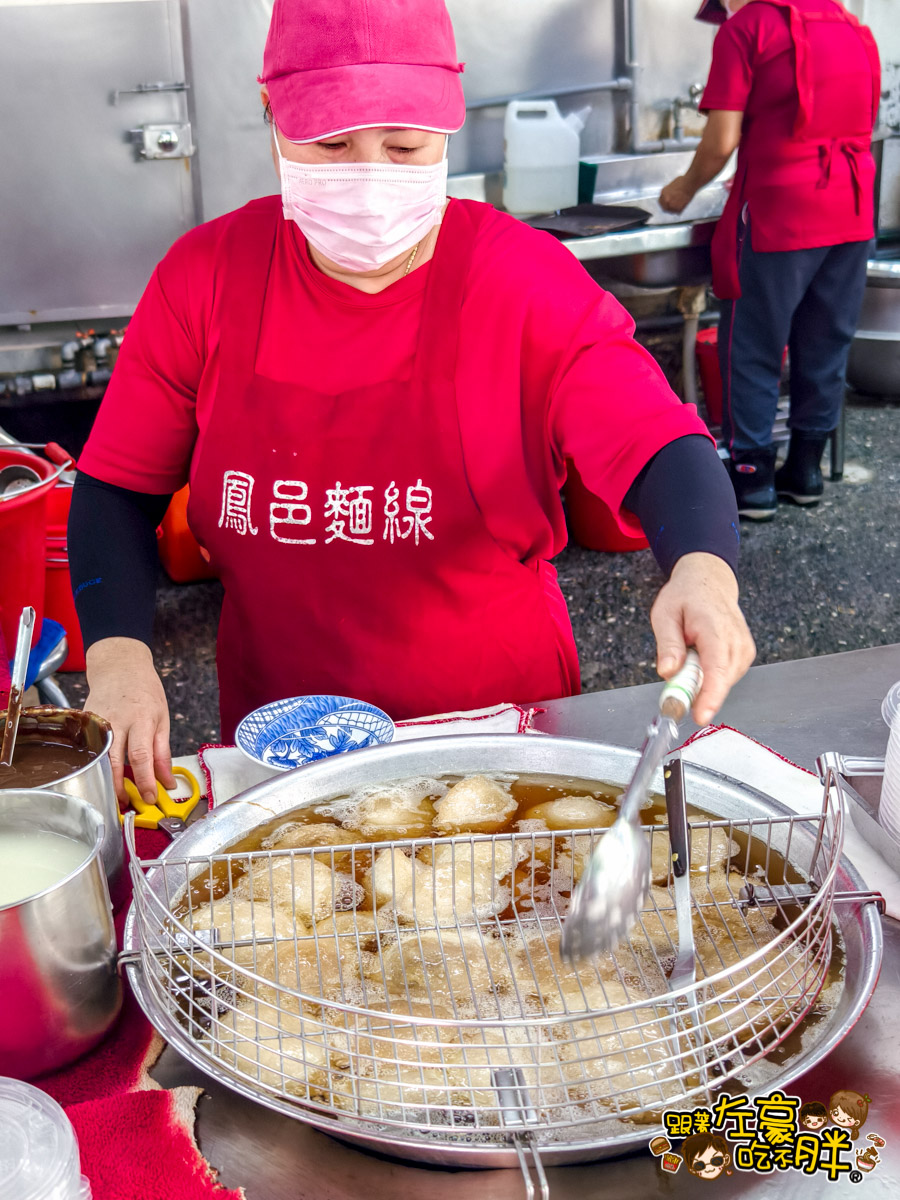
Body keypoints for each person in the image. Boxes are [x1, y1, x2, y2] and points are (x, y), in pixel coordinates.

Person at [69, 0, 755, 804]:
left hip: (501, 733)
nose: (369, 178)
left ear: (448, 129)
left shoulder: (521, 283)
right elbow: (117, 485)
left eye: (403, 145)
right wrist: (118, 655)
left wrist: (703, 573)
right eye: (331, 146)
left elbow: (660, 444)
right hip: (286, 743)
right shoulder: (206, 278)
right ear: (271, 120)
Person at [660, 0, 880, 519]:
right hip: (850, 206)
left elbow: (721, 140)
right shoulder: (852, 27)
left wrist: (683, 190)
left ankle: (753, 480)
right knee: (825, 341)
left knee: (753, 343)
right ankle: (805, 471)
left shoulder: (747, 29)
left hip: (782, 211)